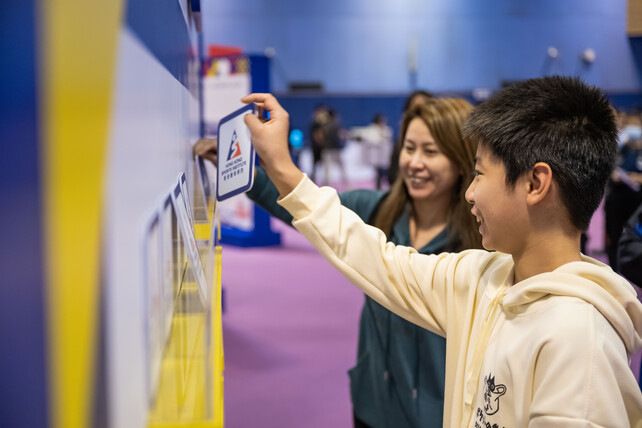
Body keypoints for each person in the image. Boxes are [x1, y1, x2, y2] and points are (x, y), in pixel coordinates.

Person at [240, 76, 642, 427]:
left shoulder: (581, 344)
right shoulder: (481, 277)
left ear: (535, 184)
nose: (470, 192)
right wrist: (282, 169)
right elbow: (377, 260)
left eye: (480, 173)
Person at [194, 98, 483, 428]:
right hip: (373, 404)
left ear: (461, 161)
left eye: (431, 152)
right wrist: (244, 168)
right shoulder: (374, 210)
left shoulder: (481, 241)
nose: (415, 162)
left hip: (441, 415)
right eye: (409, 148)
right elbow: (305, 209)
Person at [388, 90, 435, 185]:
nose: (415, 164)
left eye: (430, 151)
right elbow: (392, 178)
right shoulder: (398, 146)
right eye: (409, 149)